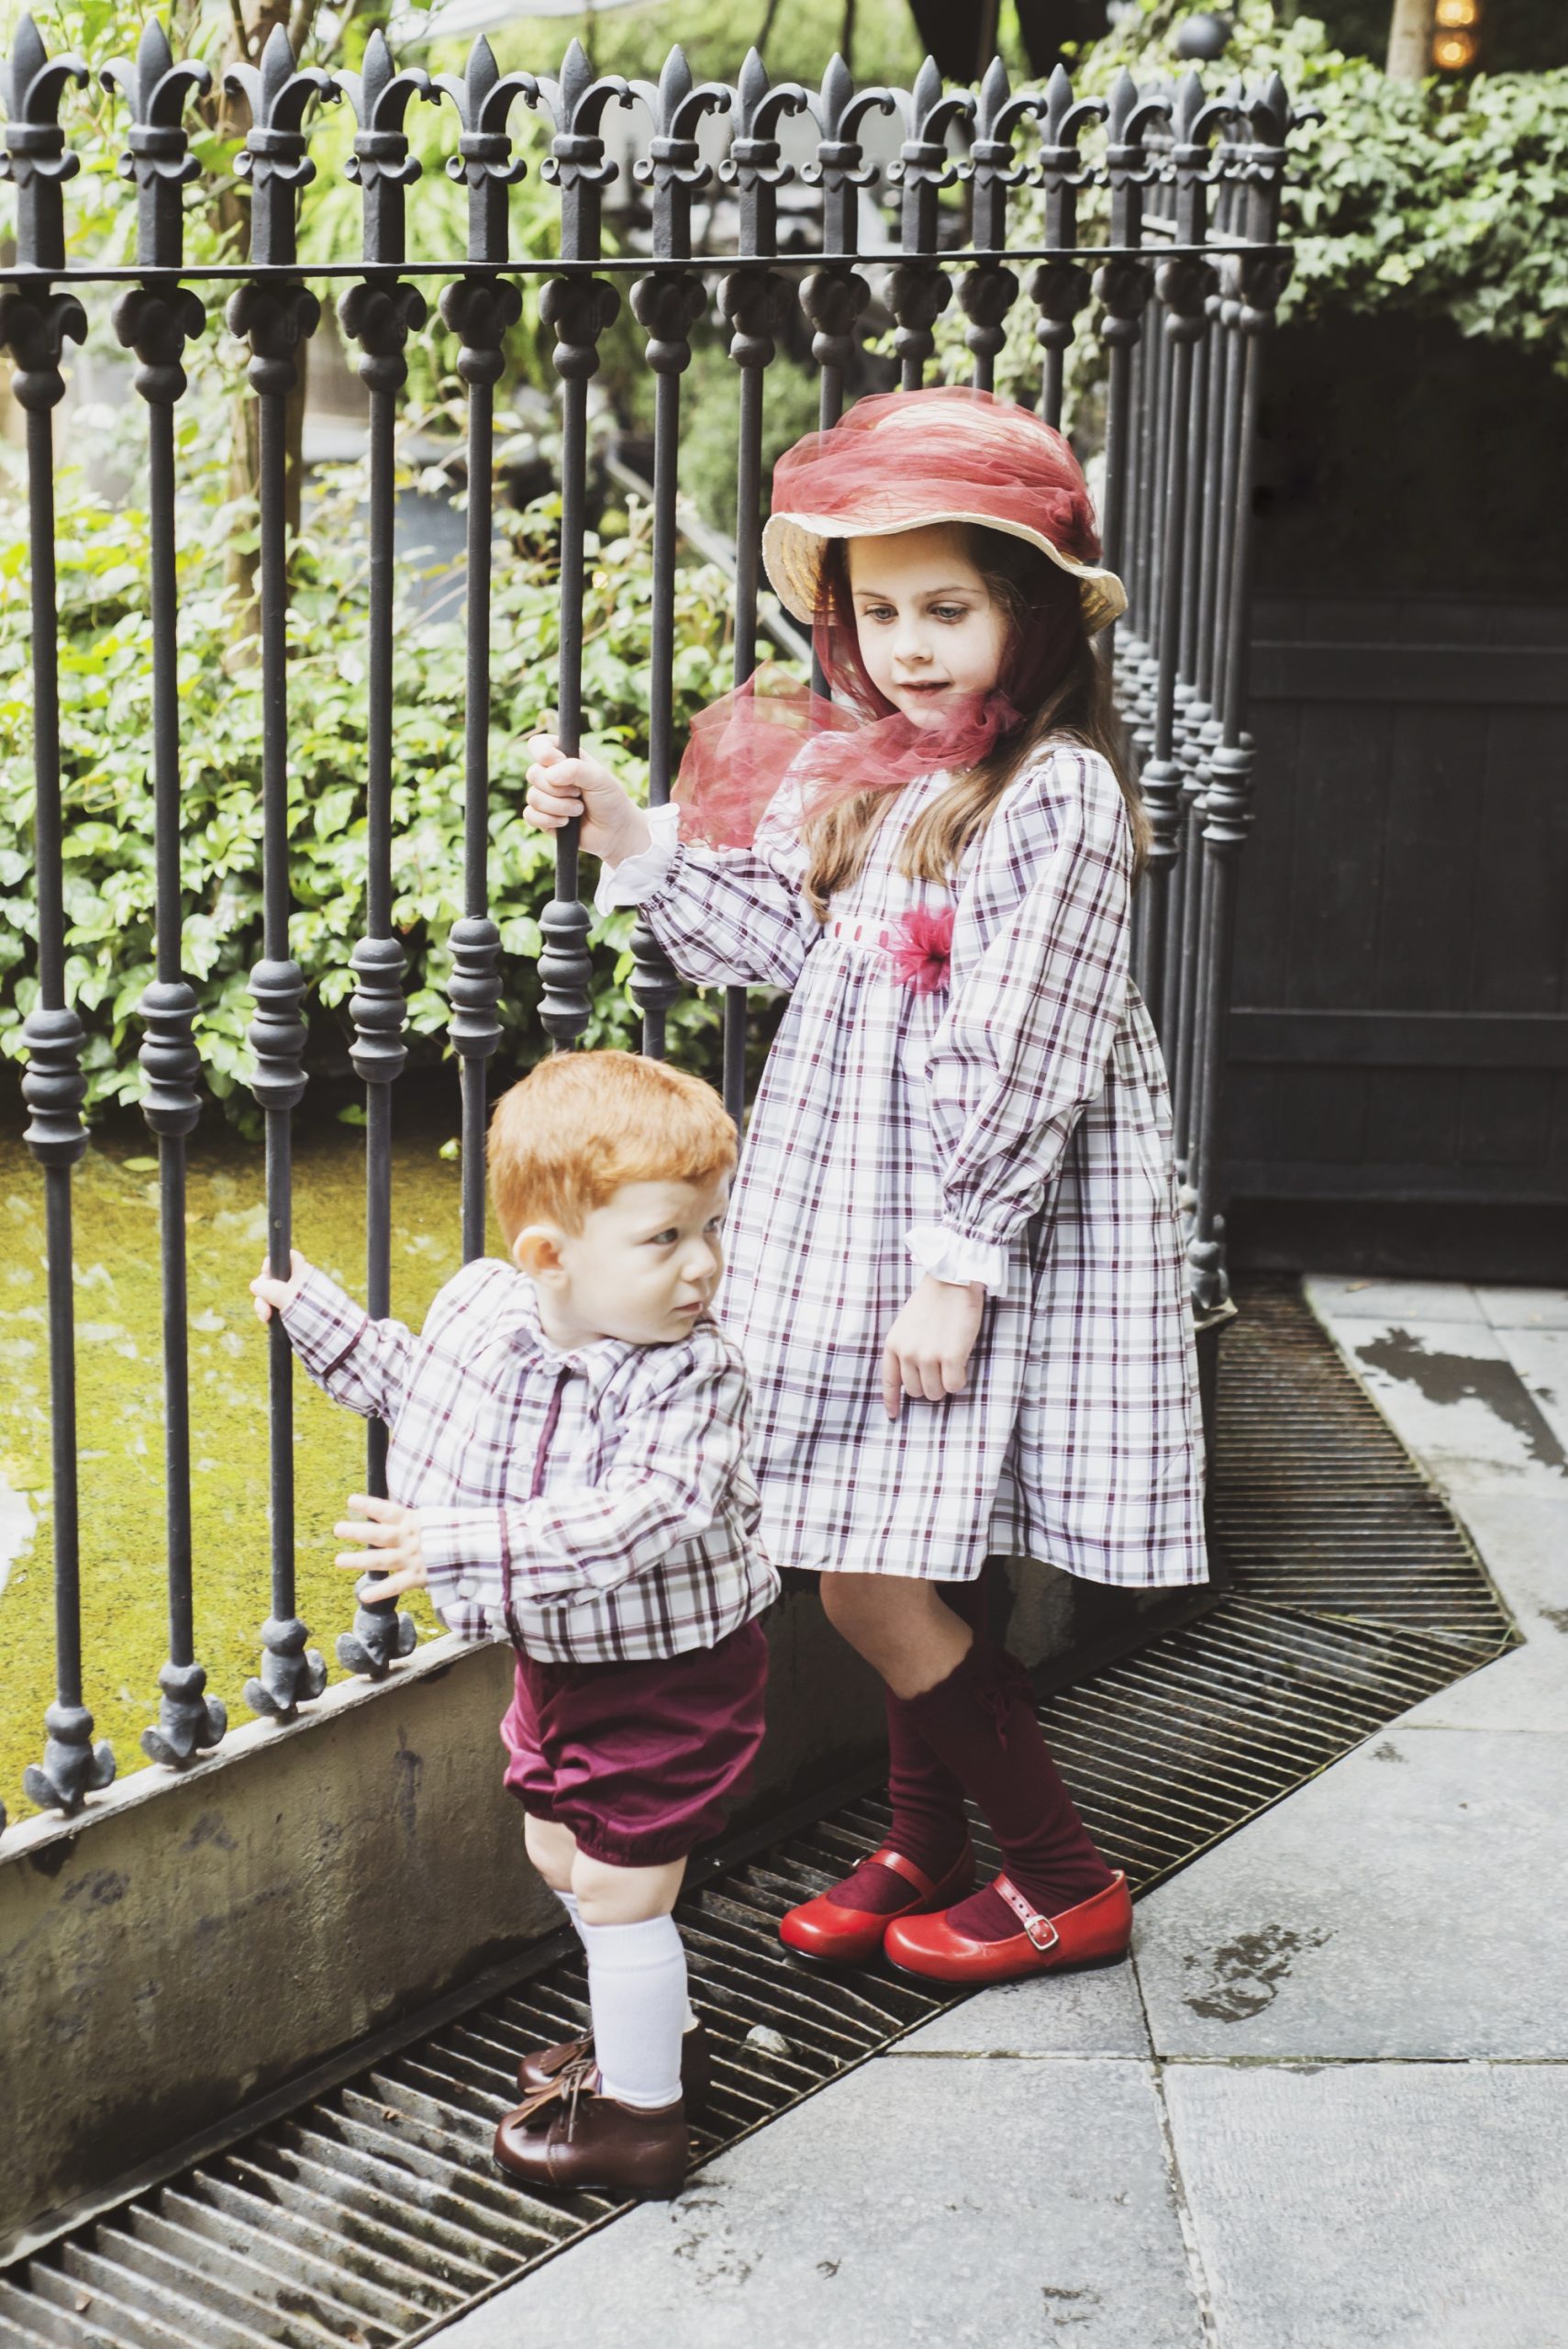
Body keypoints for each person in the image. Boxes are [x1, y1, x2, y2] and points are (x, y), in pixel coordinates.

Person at [522, 385, 1207, 1987]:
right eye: (880, 611)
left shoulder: (1051, 793)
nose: (908, 645)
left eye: (947, 610)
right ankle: (925, 1838)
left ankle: (1063, 1880)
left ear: (1030, 612)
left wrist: (957, 1268)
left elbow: (1025, 1054)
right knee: (906, 1541)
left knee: (867, 1577)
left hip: (966, 1229)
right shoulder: (881, 770)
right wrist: (630, 837)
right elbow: (790, 944)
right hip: (854, 1213)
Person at [250, 1051, 779, 2199]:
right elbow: (427, 1392)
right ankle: (656, 2037)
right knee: (558, 1852)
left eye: (710, 1228)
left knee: (624, 1887)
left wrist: (450, 1542)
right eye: (665, 1238)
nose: (703, 1264)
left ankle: (642, 2121)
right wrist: (323, 1325)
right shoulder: (489, 1310)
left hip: (673, 1670)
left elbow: (639, 1515)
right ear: (548, 1258)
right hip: (558, 1659)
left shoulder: (692, 1376)